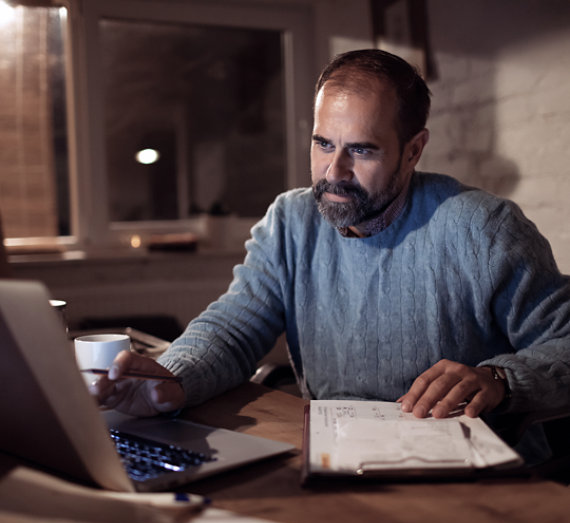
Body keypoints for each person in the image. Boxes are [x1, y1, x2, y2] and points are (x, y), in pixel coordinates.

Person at [93, 49, 570, 461]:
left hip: (474, 474)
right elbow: (235, 326)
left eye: (362, 150)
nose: (333, 171)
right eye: (323, 143)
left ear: (414, 150)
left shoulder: (482, 228)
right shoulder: (290, 220)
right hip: (332, 454)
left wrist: (499, 379)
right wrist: (173, 376)